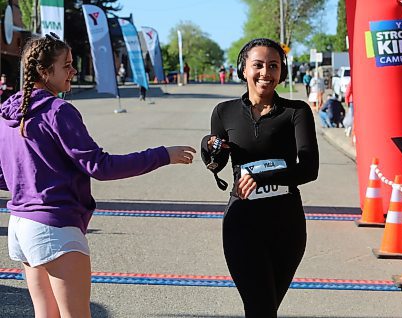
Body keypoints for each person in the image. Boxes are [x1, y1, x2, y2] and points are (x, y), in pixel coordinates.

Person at [0, 33, 196, 317]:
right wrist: (162, 155)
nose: (73, 71)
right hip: (54, 227)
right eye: (66, 65)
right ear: (44, 71)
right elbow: (100, 166)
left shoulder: (8, 114)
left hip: (20, 226)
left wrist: (30, 181)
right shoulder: (59, 111)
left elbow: (5, 174)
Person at [200, 38, 319, 317]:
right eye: (258, 65)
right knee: (260, 308)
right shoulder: (224, 112)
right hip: (241, 223)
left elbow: (309, 169)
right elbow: (218, 164)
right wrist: (209, 147)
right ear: (244, 69)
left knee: (265, 309)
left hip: (286, 225)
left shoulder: (296, 112)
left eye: (273, 66)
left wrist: (261, 177)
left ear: (281, 72)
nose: (266, 72)